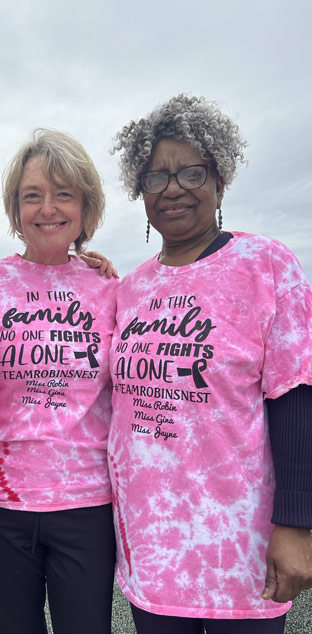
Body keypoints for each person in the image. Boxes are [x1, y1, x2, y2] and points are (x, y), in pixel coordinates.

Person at [108, 94, 312, 634]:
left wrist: (298, 523)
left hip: (239, 544)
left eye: (191, 172)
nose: (173, 188)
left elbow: (296, 395)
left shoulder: (265, 264)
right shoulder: (129, 290)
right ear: (140, 193)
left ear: (219, 181)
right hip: (152, 544)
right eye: (155, 177)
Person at [0, 129, 118, 634]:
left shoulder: (112, 289)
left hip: (86, 502)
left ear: (86, 207)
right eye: (32, 195)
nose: (47, 208)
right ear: (14, 209)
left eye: (64, 194)